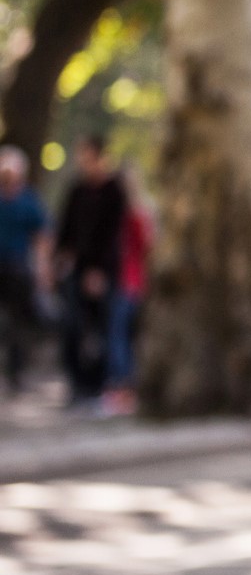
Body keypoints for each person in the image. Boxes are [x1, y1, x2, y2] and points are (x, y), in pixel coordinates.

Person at [53, 134, 128, 405]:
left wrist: (98, 270)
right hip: (76, 268)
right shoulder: (77, 190)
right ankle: (77, 384)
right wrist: (60, 258)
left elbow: (112, 235)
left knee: (102, 329)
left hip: (103, 271)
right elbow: (66, 228)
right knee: (72, 325)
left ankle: (99, 386)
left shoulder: (114, 190)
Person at [0, 145, 51, 395]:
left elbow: (42, 236)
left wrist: (42, 269)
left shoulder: (28, 200)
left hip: (18, 268)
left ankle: (16, 373)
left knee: (18, 322)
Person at [102, 168, 153, 414]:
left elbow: (144, 247)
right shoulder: (135, 213)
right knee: (123, 335)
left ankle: (123, 387)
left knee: (118, 335)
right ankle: (124, 386)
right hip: (129, 280)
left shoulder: (129, 215)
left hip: (127, 280)